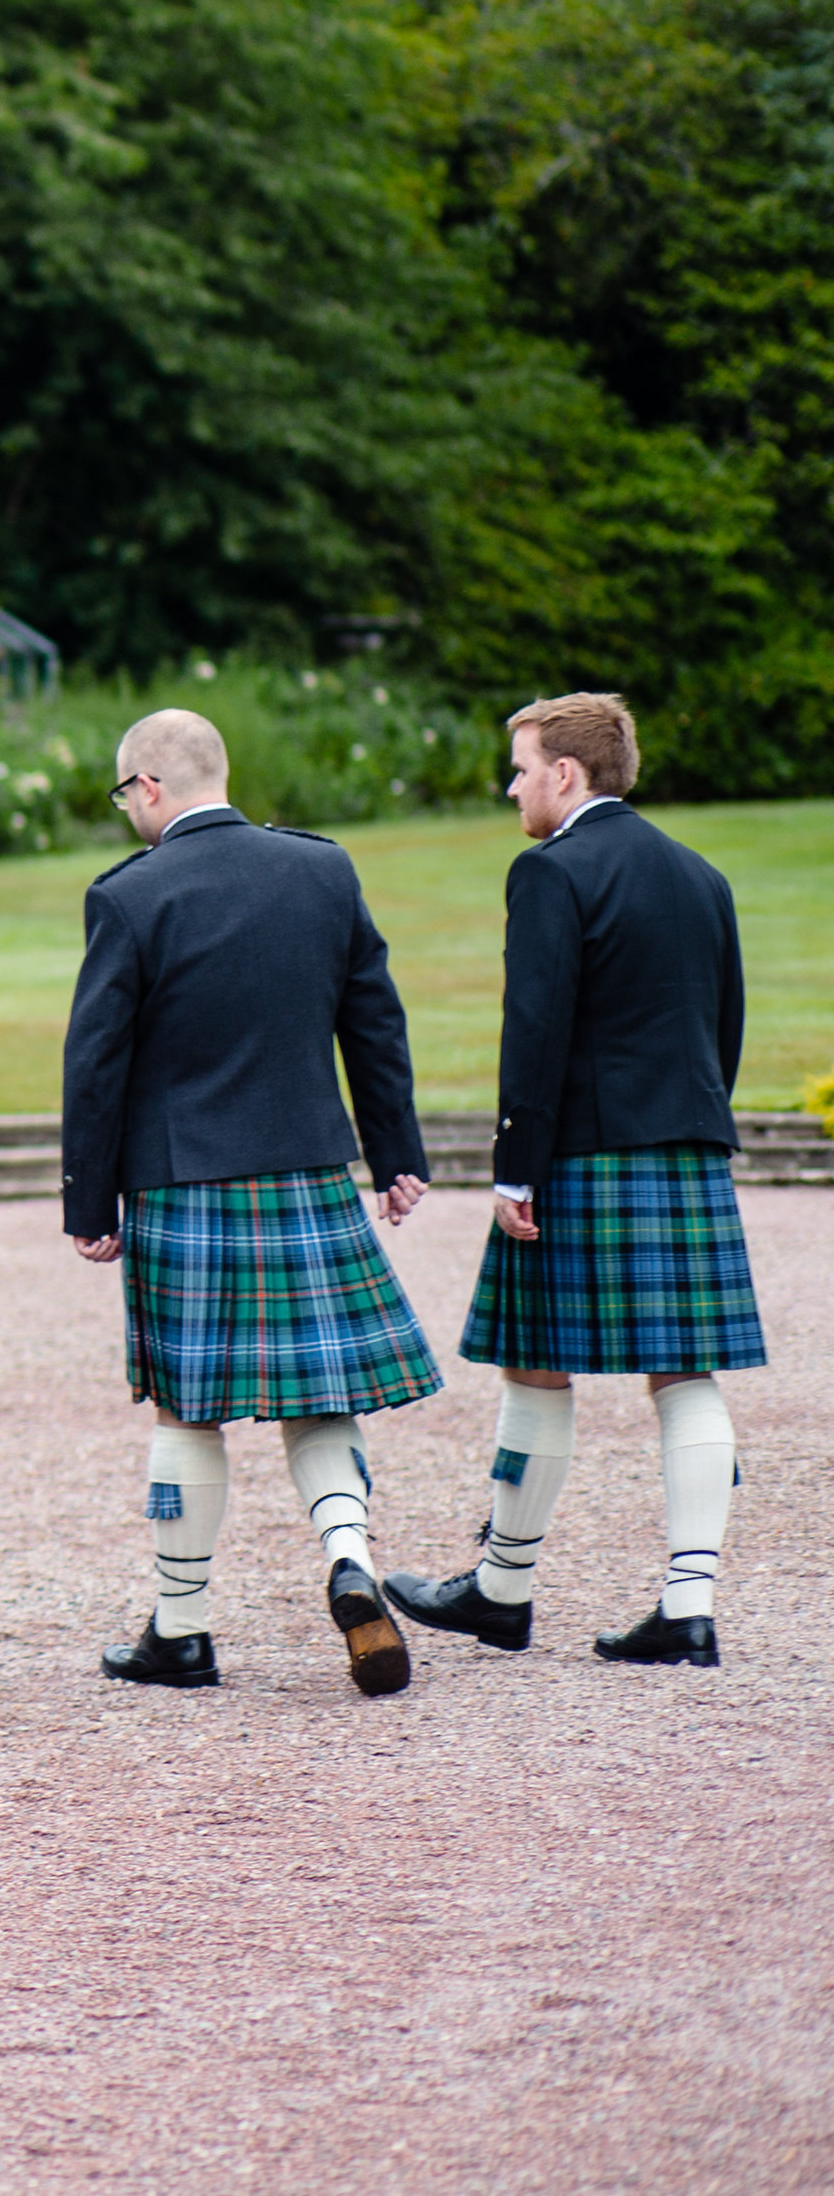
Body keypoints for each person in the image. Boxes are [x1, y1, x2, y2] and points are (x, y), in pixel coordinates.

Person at [63, 709, 440, 1699]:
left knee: (190, 1412)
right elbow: (376, 1020)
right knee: (322, 1396)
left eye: (122, 796)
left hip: (184, 1184)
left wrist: (87, 1201)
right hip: (310, 1171)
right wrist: (396, 1152)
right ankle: (349, 1557)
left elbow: (96, 1061)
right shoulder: (322, 872)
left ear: (148, 786)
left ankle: (181, 1632)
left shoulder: (131, 896)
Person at [388, 693, 763, 1668]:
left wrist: (516, 1170)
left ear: (567, 774)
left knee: (534, 1361)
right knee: (686, 1370)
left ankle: (503, 1588)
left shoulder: (551, 872)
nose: (511, 785)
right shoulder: (701, 875)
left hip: (584, 1155)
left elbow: (537, 1028)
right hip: (685, 1146)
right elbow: (724, 1026)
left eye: (520, 768)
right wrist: (690, 1120)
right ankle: (689, 1605)